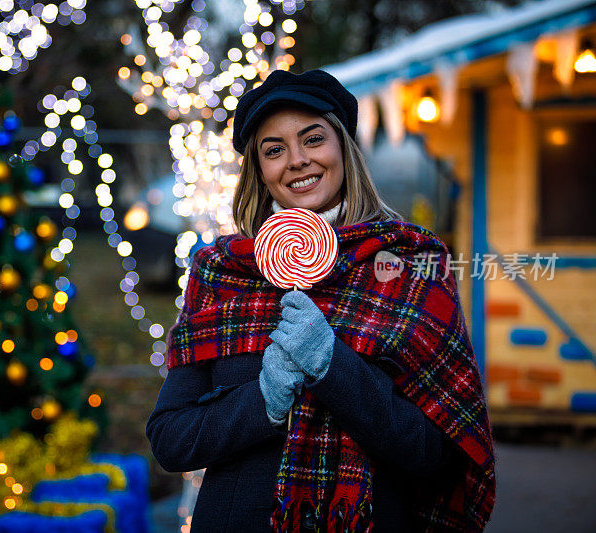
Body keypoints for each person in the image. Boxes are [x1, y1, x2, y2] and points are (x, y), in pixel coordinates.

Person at [147, 69, 495, 532]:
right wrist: (264, 399)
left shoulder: (410, 265)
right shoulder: (221, 272)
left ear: (343, 149)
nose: (297, 160)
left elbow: (438, 456)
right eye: (274, 150)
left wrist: (331, 363)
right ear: (260, 171)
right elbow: (172, 440)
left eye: (313, 139)